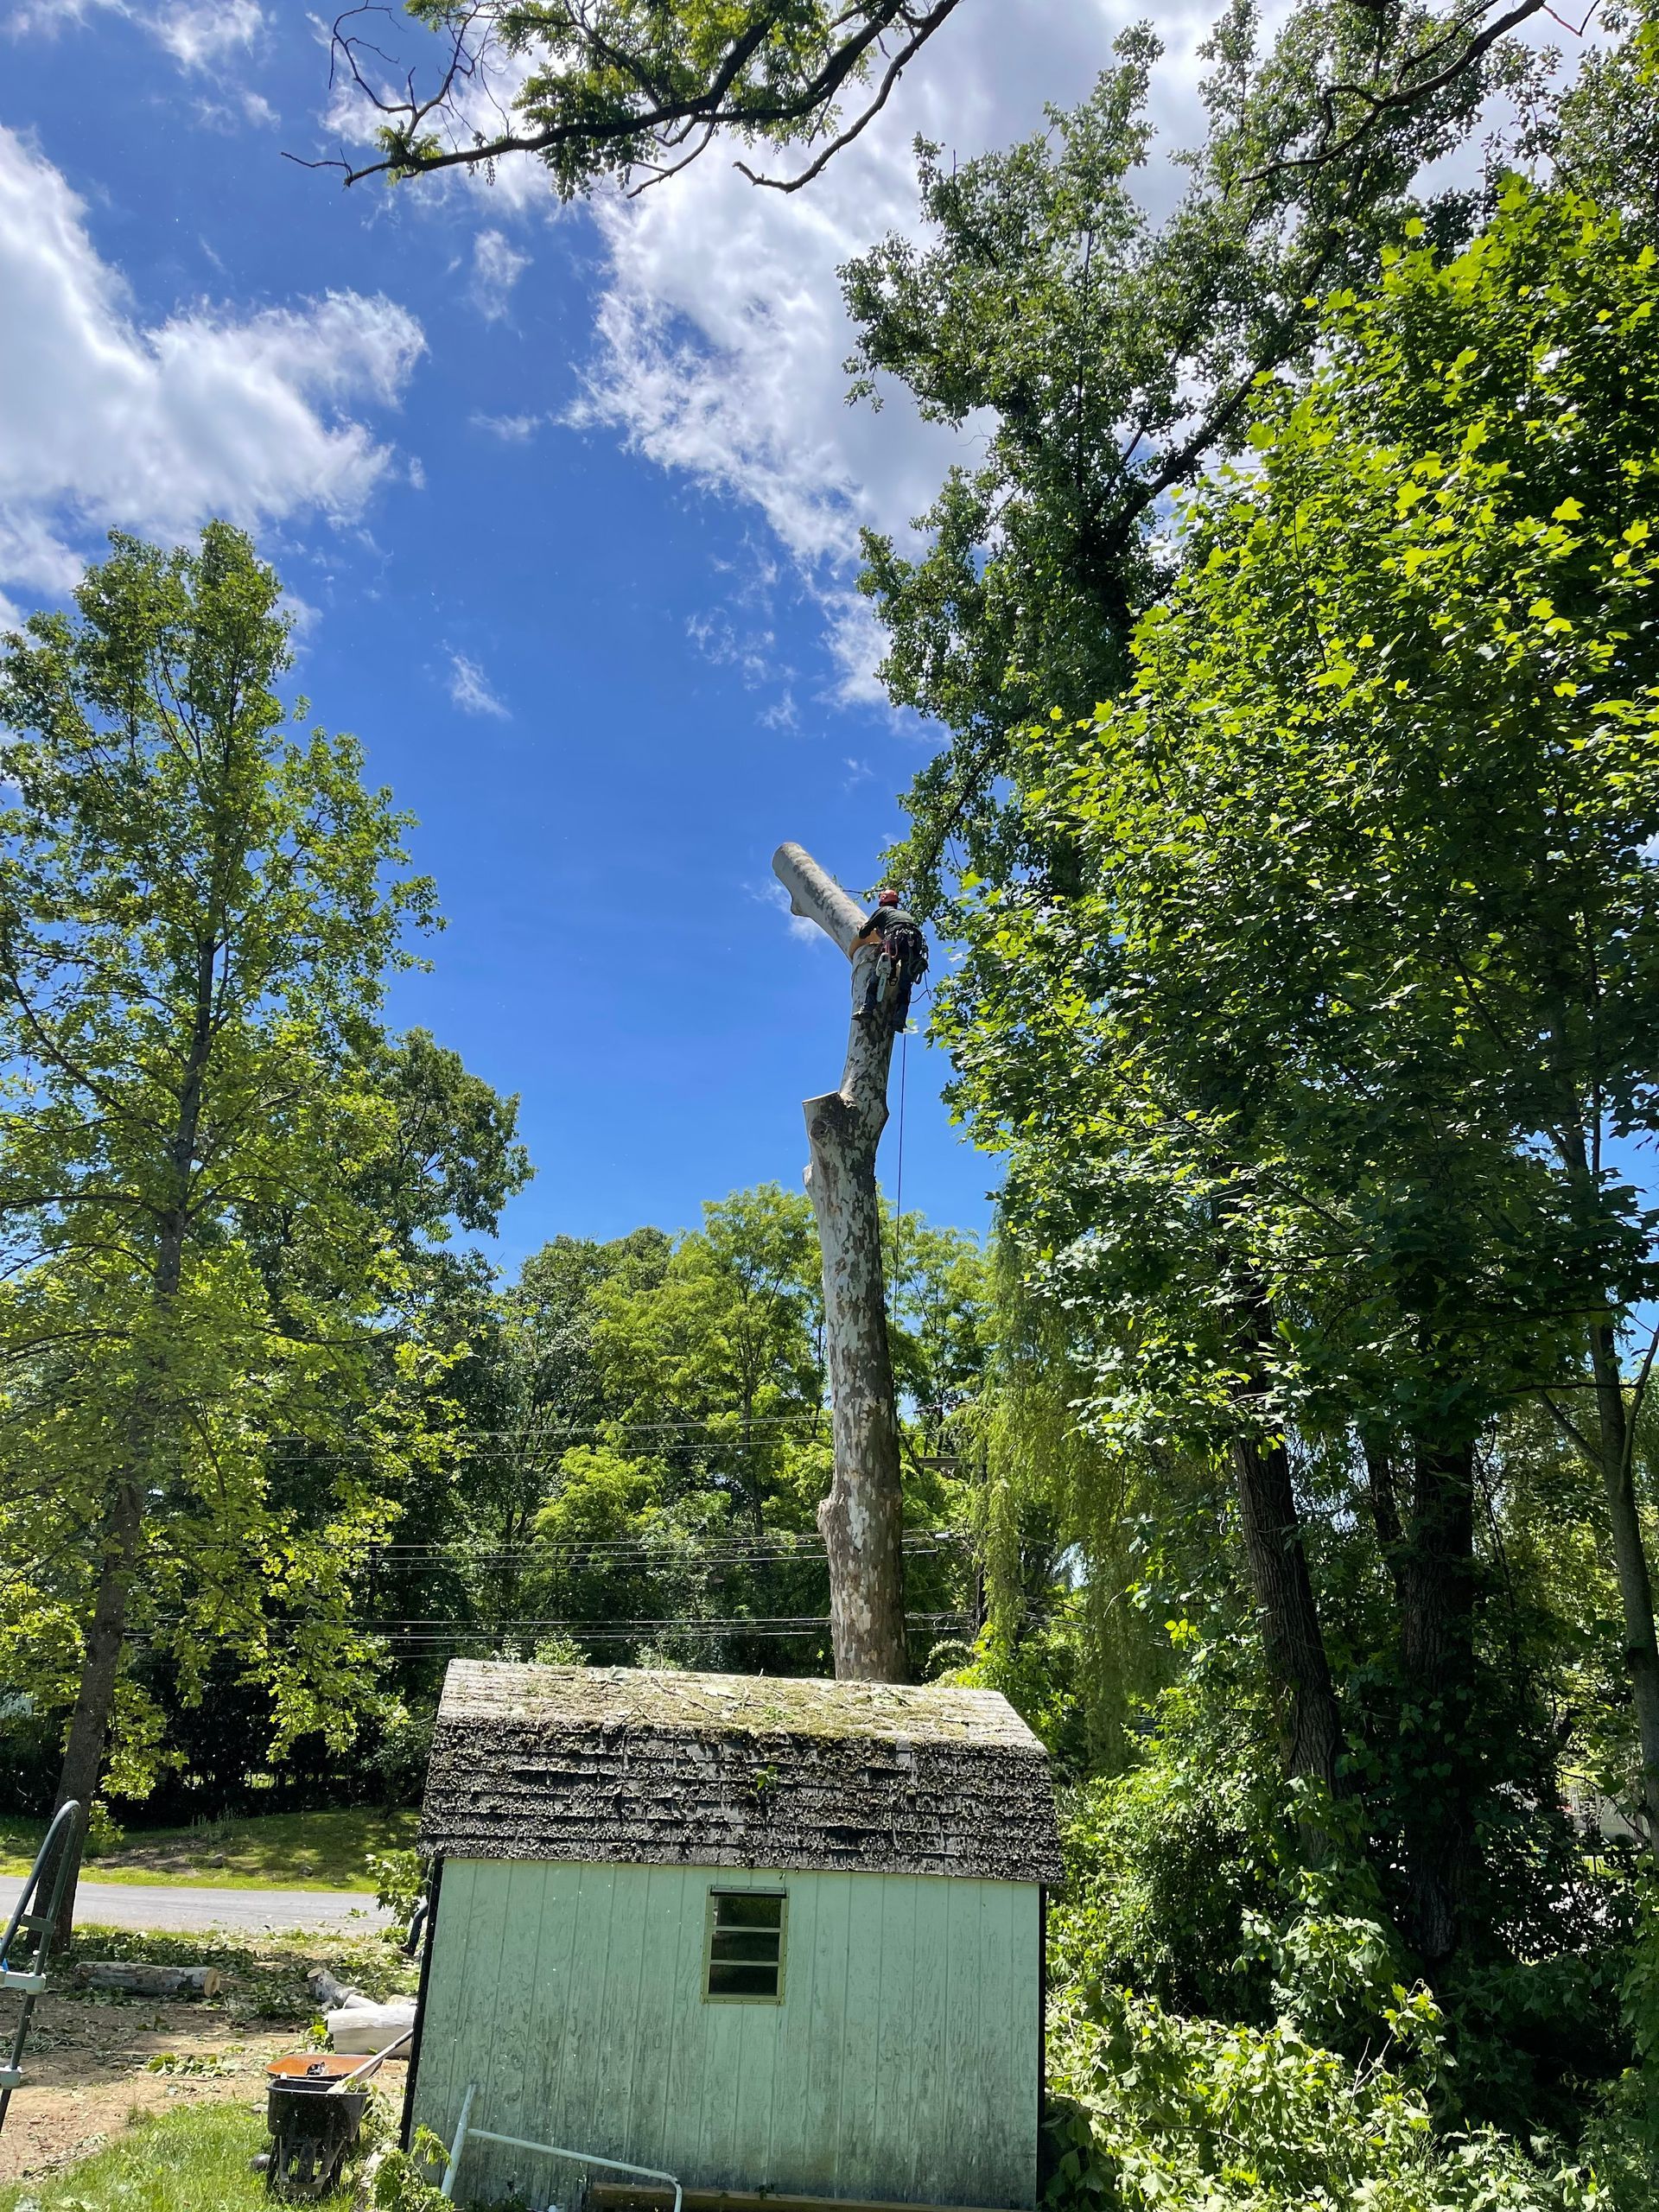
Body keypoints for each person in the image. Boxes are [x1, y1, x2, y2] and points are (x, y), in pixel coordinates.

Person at [852, 889, 928, 1033]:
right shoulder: (904, 914)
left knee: (877, 974)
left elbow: (863, 933)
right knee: (905, 985)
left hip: (896, 939)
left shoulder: (882, 911)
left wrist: (868, 929)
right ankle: (899, 1020)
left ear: (882, 901)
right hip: (914, 944)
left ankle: (867, 1008)